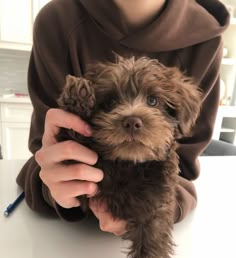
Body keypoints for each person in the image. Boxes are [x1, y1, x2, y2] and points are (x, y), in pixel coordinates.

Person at [16, 0, 229, 235]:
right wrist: (56, 188)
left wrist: (156, 213)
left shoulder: (205, 36)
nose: (132, 118)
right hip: (64, 239)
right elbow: (42, 158)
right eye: (110, 103)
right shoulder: (57, 22)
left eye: (153, 102)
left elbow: (184, 169)